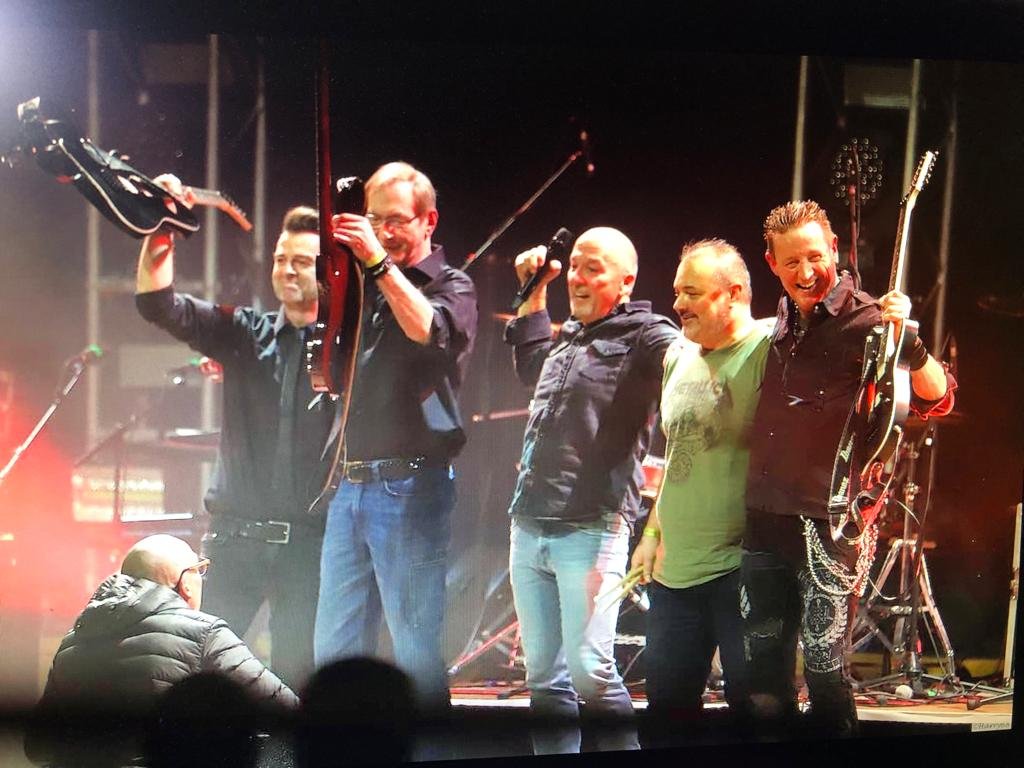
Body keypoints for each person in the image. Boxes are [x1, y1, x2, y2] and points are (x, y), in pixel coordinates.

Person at [742, 200, 955, 738]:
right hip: (765, 516)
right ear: (772, 263)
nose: (806, 272)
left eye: (815, 257)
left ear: (835, 249)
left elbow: (938, 398)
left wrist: (911, 343)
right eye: (792, 262)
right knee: (762, 674)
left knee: (824, 670)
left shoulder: (873, 320)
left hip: (829, 523)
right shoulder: (779, 321)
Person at [136, 189, 332, 691]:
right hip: (234, 542)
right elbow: (160, 304)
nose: (286, 270)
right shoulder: (246, 332)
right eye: (281, 259)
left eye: (302, 261)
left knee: (297, 683)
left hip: (310, 548)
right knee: (199, 678)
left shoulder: (349, 349)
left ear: (329, 271)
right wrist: (162, 226)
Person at [503, 226, 678, 753]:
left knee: (591, 672)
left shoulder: (645, 333)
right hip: (529, 522)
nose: (576, 277)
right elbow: (532, 370)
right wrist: (534, 291)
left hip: (591, 526)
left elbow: (691, 361)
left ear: (626, 282)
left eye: (592, 269)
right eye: (574, 266)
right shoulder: (572, 334)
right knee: (544, 679)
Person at [313, 162, 477, 713]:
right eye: (373, 219)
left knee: (413, 647)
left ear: (429, 221)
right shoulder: (363, 284)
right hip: (351, 484)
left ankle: (431, 749)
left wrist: (376, 263)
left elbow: (429, 329)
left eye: (396, 220)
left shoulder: (452, 285)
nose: (382, 231)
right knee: (334, 651)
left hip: (410, 484)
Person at [630, 239, 772, 743]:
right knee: (667, 718)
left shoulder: (768, 347)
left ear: (733, 293)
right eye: (677, 292)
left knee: (752, 715)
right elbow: (677, 458)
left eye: (691, 292)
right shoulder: (678, 355)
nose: (677, 304)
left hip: (739, 568)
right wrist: (652, 534)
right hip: (675, 571)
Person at [25, 535, 296, 766]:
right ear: (184, 582)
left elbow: (37, 746)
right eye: (199, 570)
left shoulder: (73, 641)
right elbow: (288, 711)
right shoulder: (205, 632)